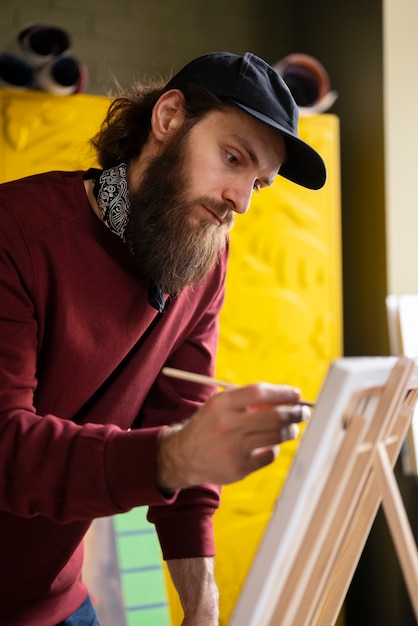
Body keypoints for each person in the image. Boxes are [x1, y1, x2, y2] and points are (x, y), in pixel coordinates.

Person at [0, 51, 326, 625]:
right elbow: (6, 448)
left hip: (56, 596)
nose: (240, 202)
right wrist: (172, 455)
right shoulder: (16, 232)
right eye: (231, 158)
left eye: (258, 183)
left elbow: (182, 423)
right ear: (170, 117)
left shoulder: (204, 262)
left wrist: (203, 608)